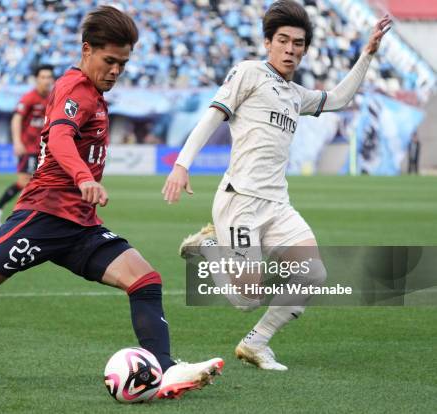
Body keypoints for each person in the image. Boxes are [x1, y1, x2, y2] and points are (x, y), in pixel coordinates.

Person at [0, 6, 223, 399]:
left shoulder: (95, 93)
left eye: (123, 63)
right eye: (109, 61)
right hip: (44, 214)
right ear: (86, 50)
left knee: (145, 280)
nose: (116, 70)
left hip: (79, 222)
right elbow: (61, 137)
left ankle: (164, 369)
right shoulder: (76, 89)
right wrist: (83, 177)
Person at [162, 0, 391, 370]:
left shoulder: (295, 94)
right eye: (283, 40)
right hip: (242, 202)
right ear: (268, 42)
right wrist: (181, 164)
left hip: (278, 205)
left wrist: (367, 53)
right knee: (246, 298)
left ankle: (256, 343)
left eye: (298, 43)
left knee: (314, 274)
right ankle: (208, 247)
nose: (290, 49)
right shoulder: (249, 73)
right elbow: (212, 116)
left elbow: (339, 98)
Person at [0, 64, 55, 229]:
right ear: (36, 79)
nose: (47, 80)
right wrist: (17, 141)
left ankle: (1, 207)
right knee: (26, 181)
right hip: (28, 147)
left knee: (39, 182)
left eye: (49, 77)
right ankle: (13, 212)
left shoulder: (53, 98)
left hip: (44, 148)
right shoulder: (29, 98)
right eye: (43, 77)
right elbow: (16, 119)